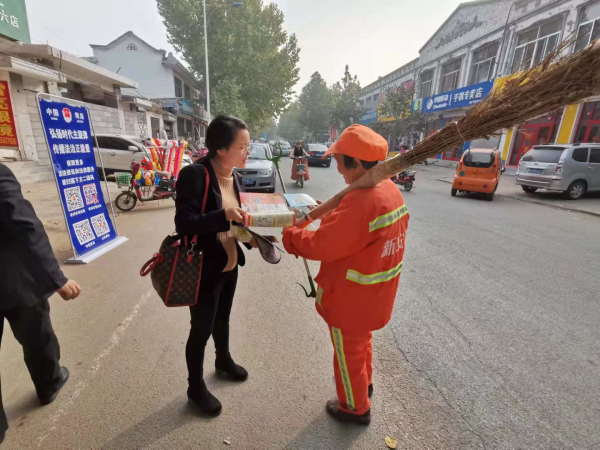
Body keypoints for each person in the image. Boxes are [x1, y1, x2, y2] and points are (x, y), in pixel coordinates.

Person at [282, 125, 409, 425]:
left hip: (351, 298)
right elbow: (351, 228)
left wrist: (290, 237)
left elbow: (323, 244)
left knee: (348, 352)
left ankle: (354, 407)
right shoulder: (388, 189)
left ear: (354, 162)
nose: (337, 168)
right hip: (374, 293)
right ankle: (364, 385)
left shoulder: (362, 201)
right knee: (361, 343)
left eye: (339, 161)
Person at [175, 115, 256, 416]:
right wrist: (225, 216)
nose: (247, 152)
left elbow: (236, 222)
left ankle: (223, 360)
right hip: (203, 269)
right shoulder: (194, 175)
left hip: (229, 264)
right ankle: (195, 388)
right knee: (201, 329)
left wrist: (253, 239)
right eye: (242, 147)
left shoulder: (235, 176)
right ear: (220, 149)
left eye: (248, 147)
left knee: (223, 319)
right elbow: (184, 223)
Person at [0, 163, 81, 444]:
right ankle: (49, 383)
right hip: (14, 279)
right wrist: (56, 279)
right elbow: (25, 227)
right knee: (37, 336)